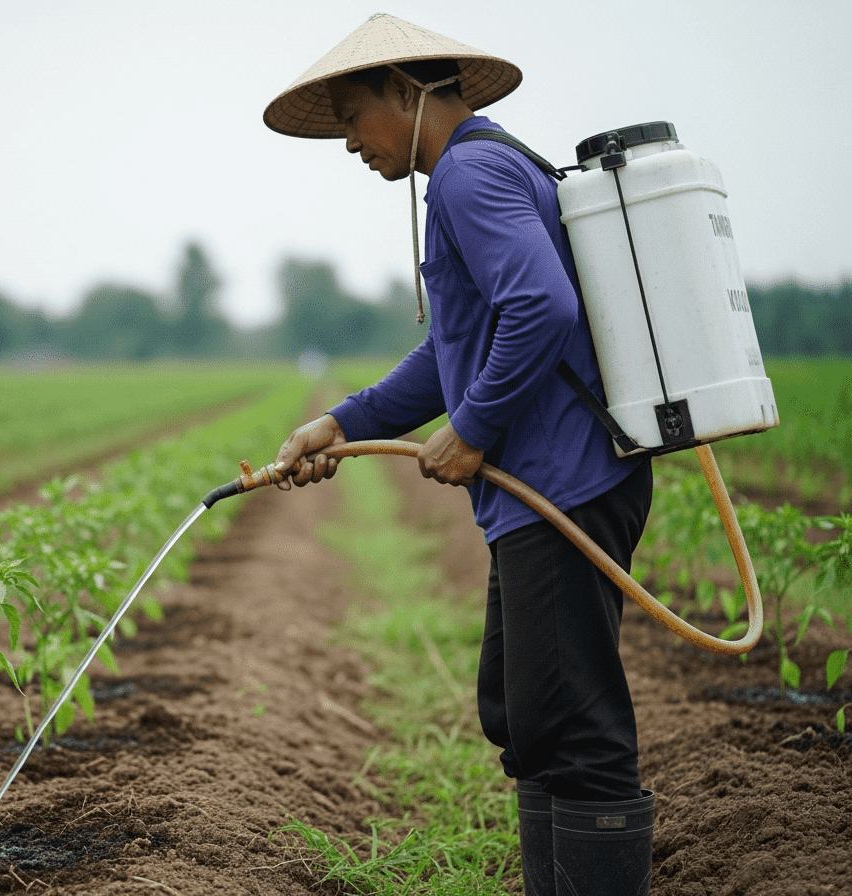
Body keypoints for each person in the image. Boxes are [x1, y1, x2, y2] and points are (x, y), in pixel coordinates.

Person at [262, 14, 656, 896]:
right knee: (526, 715)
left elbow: (542, 309)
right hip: (547, 488)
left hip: (561, 483)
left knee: (577, 729)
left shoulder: (471, 176)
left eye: (355, 117)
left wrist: (473, 430)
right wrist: (343, 419)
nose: (350, 144)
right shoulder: (484, 169)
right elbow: (456, 349)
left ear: (407, 93)